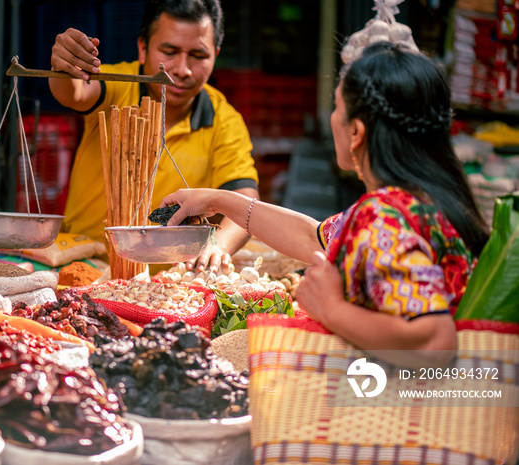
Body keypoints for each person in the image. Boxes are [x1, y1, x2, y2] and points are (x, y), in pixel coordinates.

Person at [160, 41, 489, 360]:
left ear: (356, 132)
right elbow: (313, 237)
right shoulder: (428, 201)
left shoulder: (386, 216)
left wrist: (331, 310)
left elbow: (433, 341)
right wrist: (217, 200)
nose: (332, 118)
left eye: (337, 107)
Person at [48, 0, 259, 273]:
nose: (182, 70)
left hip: (167, 277)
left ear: (215, 54)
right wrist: (65, 66)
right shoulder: (118, 83)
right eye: (169, 51)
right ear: (143, 48)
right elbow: (74, 93)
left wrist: (217, 246)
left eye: (198, 55)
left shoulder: (224, 120)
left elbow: (244, 198)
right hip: (82, 263)